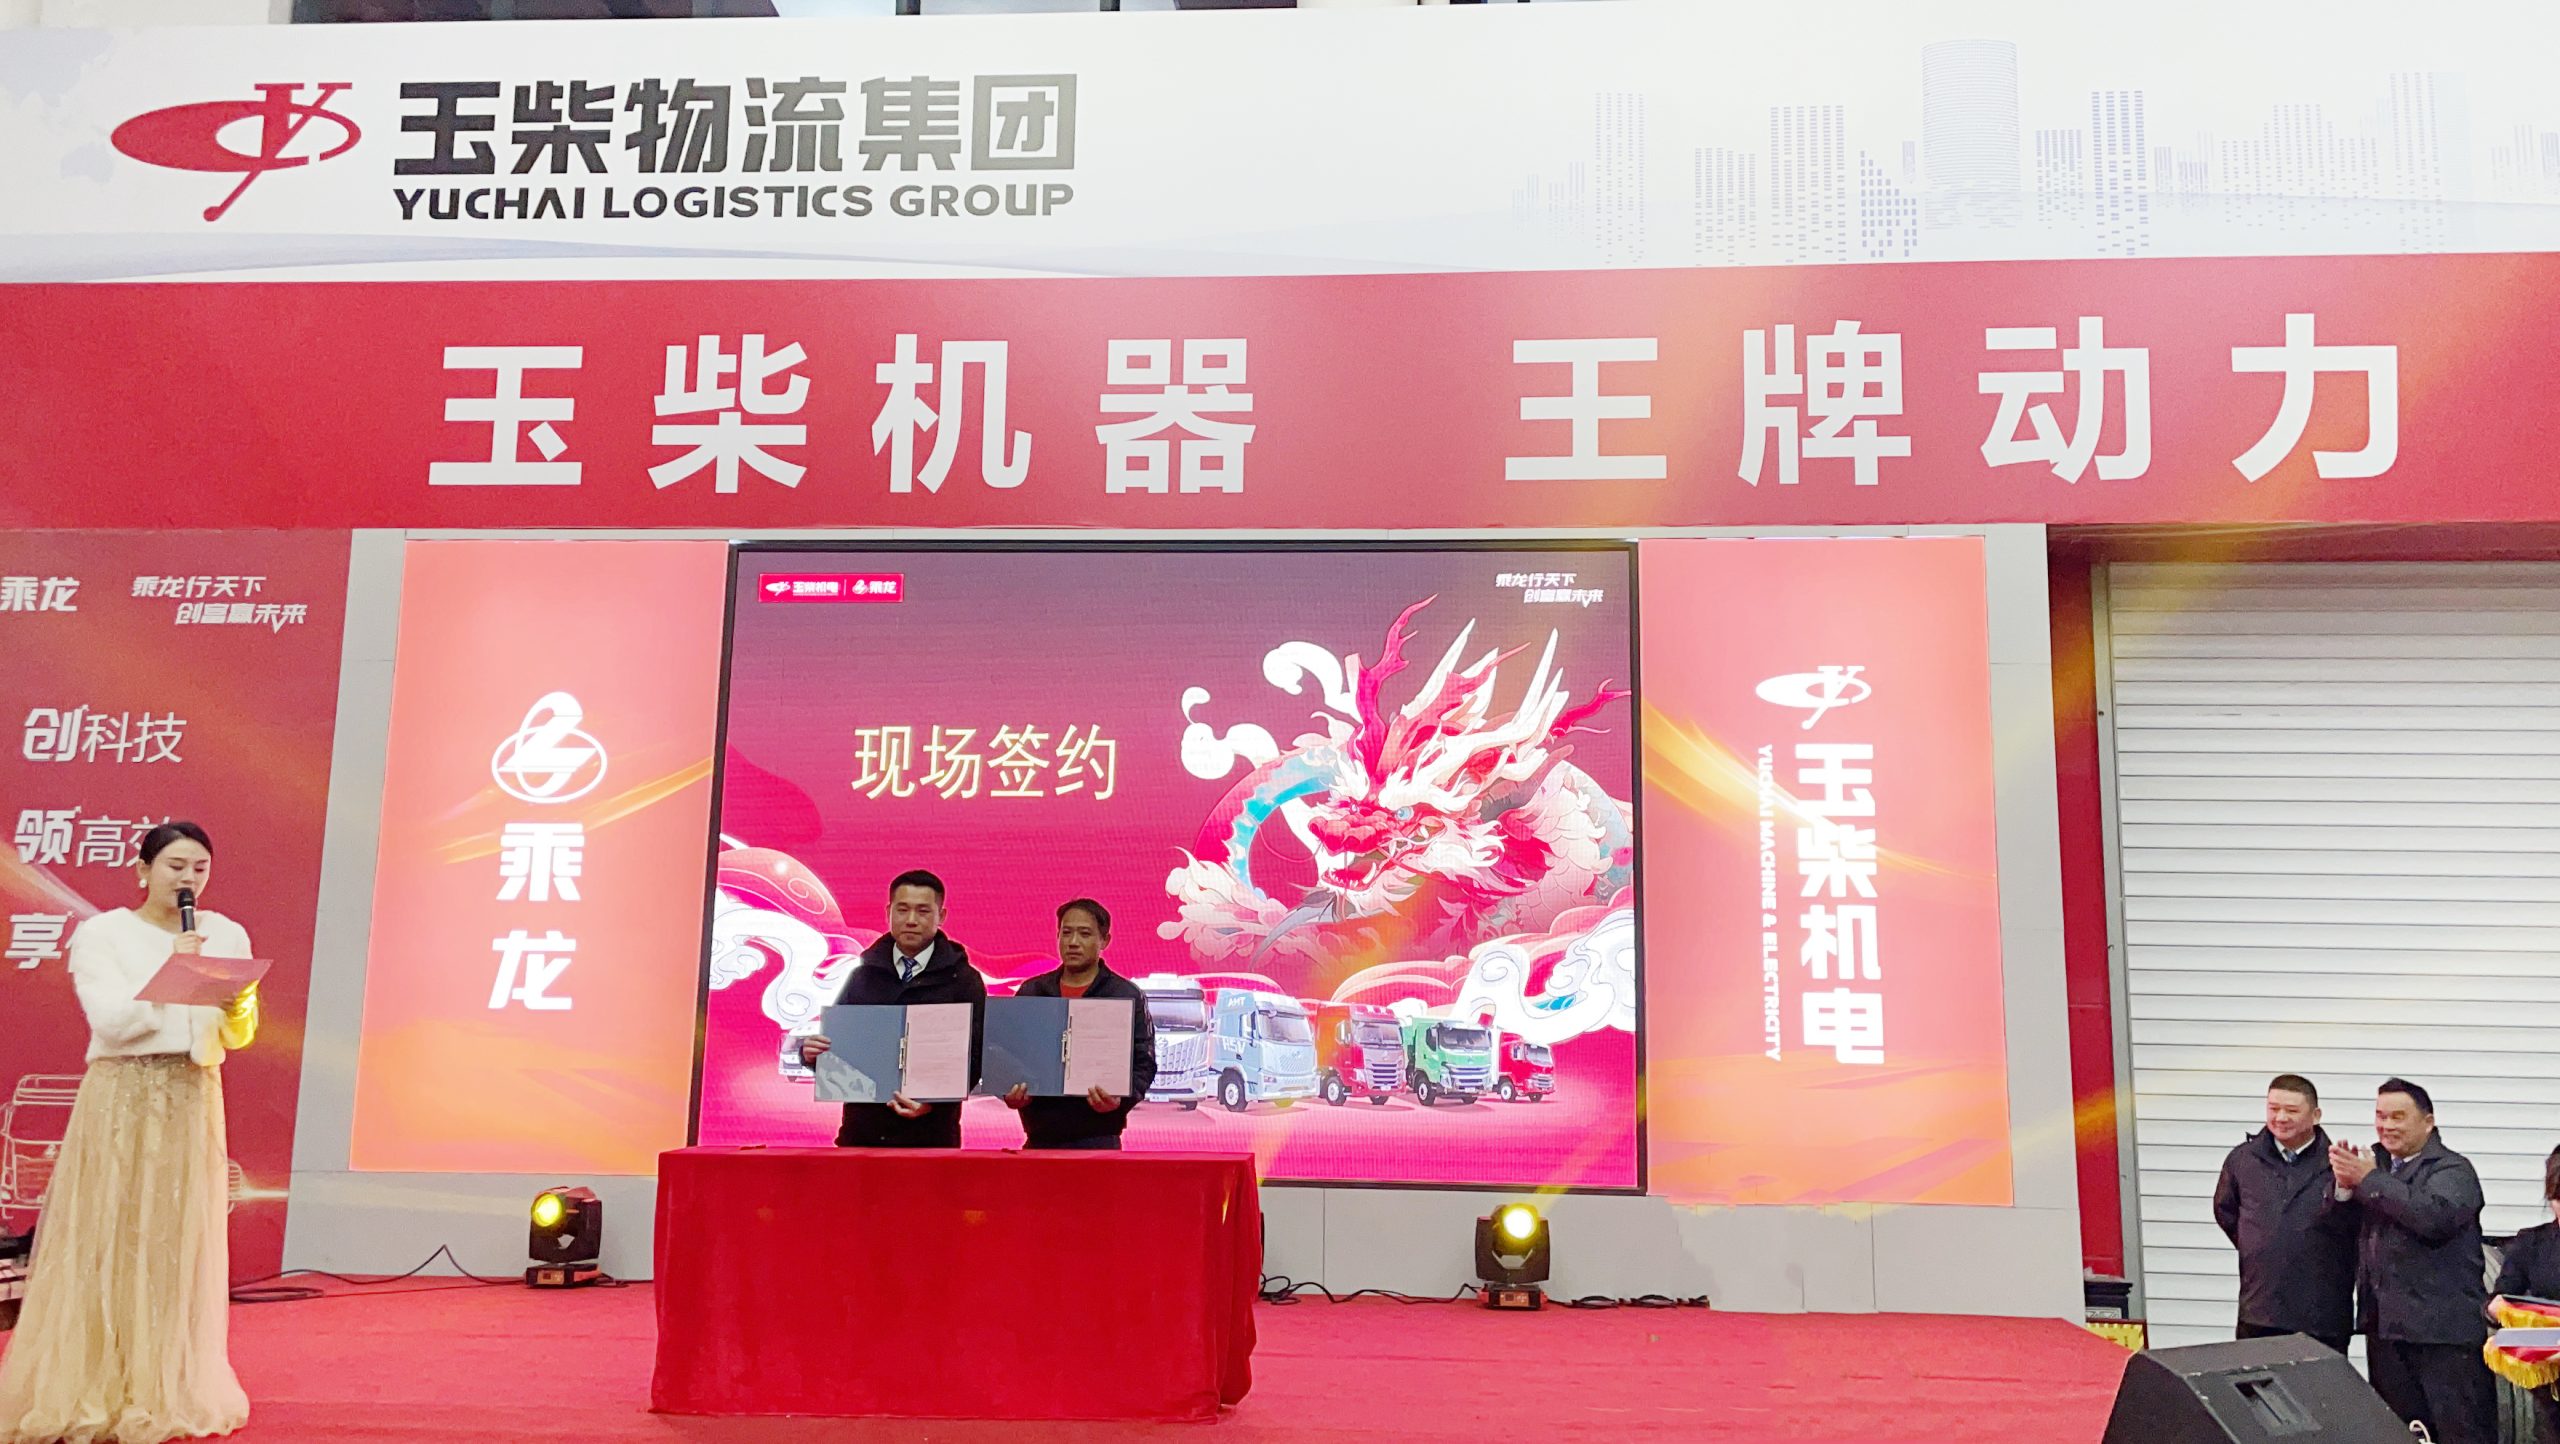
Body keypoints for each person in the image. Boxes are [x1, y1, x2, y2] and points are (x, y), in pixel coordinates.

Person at [0, 821, 260, 1444]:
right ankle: (94, 1384)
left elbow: (238, 1033)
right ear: (143, 870)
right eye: (175, 866)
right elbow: (113, 1023)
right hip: (124, 1094)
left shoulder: (225, 933)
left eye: (200, 867)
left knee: (177, 1241)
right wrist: (175, 972)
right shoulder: (104, 934)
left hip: (193, 1095)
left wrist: (235, 1006)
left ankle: (162, 1385)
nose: (188, 878)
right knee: (111, 1235)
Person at [2331, 1077, 2496, 1444]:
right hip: (2385, 1329)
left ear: (2428, 1122)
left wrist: (2369, 1179)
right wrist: (2343, 1187)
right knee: (2398, 1431)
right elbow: (2335, 1233)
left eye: (2398, 1117)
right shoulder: (2373, 1165)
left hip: (2443, 1334)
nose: (2386, 1126)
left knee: (2460, 1432)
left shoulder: (2452, 1170)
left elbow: (2433, 1218)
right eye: (2380, 1116)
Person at [796, 870, 985, 1149]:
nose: (911, 920)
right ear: (888, 912)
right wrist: (812, 1056)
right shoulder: (863, 975)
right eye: (902, 909)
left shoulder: (964, 980)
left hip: (931, 1137)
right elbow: (838, 1046)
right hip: (861, 1135)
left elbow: (976, 1056)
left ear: (941, 916)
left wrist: (933, 1102)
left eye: (923, 911)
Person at [2212, 1073, 2357, 1356]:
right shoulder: (2243, 1159)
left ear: (2315, 1115)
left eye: (2291, 1110)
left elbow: (2354, 1227)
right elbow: (2225, 1211)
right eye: (2273, 1108)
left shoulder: (2339, 1163)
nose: (2281, 1118)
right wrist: (2258, 1244)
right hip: (2260, 1308)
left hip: (2322, 1313)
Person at [1001, 899, 1157, 1151]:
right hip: (1039, 1137)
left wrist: (1121, 1099)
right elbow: (1007, 1054)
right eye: (1066, 932)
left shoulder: (1123, 994)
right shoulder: (1033, 992)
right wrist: (1008, 1091)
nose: (1073, 942)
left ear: (1105, 940)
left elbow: (1144, 1063)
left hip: (1100, 1138)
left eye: (1084, 934)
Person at [2493, 1148, 2560, 1444]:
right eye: (2558, 1199)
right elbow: (2499, 1299)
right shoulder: (2531, 1243)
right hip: (2550, 1386)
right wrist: (2497, 1308)